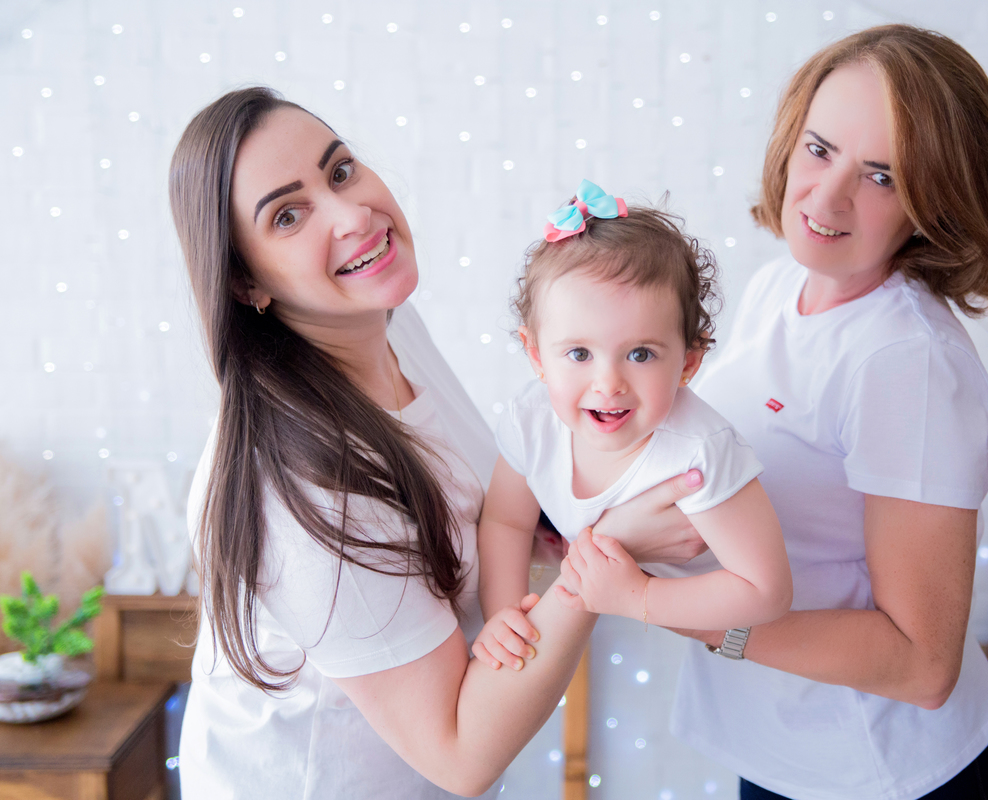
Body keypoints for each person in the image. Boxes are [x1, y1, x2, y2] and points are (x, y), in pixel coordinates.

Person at [169, 87, 704, 799]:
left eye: (340, 171)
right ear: (244, 280)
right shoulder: (301, 488)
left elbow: (471, 503)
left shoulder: (383, 321)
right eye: (289, 215)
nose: (354, 214)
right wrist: (608, 554)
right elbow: (460, 754)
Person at [630, 24, 988, 800]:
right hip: (781, 743)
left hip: (877, 768)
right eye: (819, 149)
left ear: (932, 202)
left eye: (881, 176)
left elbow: (922, 665)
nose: (827, 197)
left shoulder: (905, 366)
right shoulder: (783, 284)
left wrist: (697, 619)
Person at [473, 182, 791, 670]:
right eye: (579, 353)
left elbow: (766, 591)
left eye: (640, 353)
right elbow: (506, 521)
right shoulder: (531, 419)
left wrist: (638, 596)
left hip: (753, 636)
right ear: (536, 355)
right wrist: (502, 613)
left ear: (688, 362)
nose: (609, 383)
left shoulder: (698, 451)